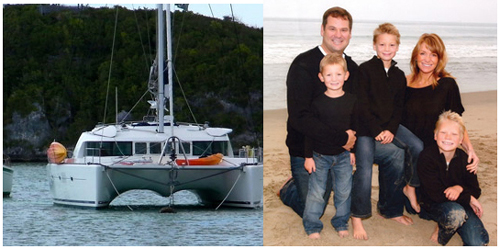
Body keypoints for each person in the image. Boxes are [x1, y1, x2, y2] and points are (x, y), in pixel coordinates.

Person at [279, 6, 359, 218]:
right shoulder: (302, 65)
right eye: (332, 29)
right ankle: (288, 188)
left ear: (350, 34)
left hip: (340, 153)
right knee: (312, 210)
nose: (338, 35)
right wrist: (341, 138)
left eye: (343, 30)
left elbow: (359, 109)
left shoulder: (352, 69)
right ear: (322, 30)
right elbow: (300, 118)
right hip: (306, 150)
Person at [399, 33, 480, 215]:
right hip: (408, 155)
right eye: (423, 53)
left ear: (440, 58)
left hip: (434, 155)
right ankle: (409, 187)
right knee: (413, 209)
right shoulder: (404, 82)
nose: (427, 59)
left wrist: (470, 149)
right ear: (415, 56)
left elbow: (457, 122)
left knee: (429, 206)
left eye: (433, 55)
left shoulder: (447, 84)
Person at [351, 23, 410, 240]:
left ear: (397, 47)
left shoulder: (399, 75)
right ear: (374, 46)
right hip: (366, 131)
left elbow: (399, 108)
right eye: (382, 44)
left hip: (387, 130)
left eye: (392, 44)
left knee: (398, 154)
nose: (387, 48)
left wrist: (391, 131)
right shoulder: (364, 70)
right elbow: (361, 106)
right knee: (365, 167)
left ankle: (390, 209)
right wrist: (377, 130)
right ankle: (357, 216)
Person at [302, 54, 357, 239]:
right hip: (319, 156)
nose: (334, 79)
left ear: (346, 75)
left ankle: (341, 222)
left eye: (338, 74)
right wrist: (308, 156)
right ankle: (312, 225)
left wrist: (353, 151)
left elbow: (353, 129)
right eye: (329, 75)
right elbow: (310, 131)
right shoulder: (316, 103)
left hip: (343, 156)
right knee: (317, 193)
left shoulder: (351, 100)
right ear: (321, 77)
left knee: (344, 191)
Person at [417, 111, 489, 246]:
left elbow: (475, 190)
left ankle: (457, 223)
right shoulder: (426, 157)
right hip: (435, 205)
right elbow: (435, 194)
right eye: (443, 132)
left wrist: (459, 188)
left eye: (454, 134)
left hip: (462, 203)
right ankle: (442, 228)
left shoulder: (466, 159)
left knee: (477, 242)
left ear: (461, 140)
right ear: (435, 135)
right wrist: (468, 198)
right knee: (455, 214)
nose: (448, 137)